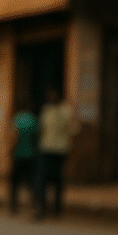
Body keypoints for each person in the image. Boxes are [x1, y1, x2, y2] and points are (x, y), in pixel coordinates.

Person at [35, 88, 73, 220]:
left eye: (54, 94)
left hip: (60, 150)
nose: (52, 97)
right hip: (46, 148)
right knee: (41, 180)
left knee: (58, 180)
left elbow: (72, 128)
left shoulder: (66, 111)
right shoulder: (47, 110)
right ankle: (42, 208)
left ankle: (57, 209)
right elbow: (41, 128)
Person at [8, 99, 38, 214]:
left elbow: (13, 136)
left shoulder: (17, 119)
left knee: (15, 182)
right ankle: (34, 204)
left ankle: (14, 205)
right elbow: (37, 136)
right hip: (31, 155)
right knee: (31, 181)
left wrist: (10, 150)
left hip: (18, 154)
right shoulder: (34, 120)